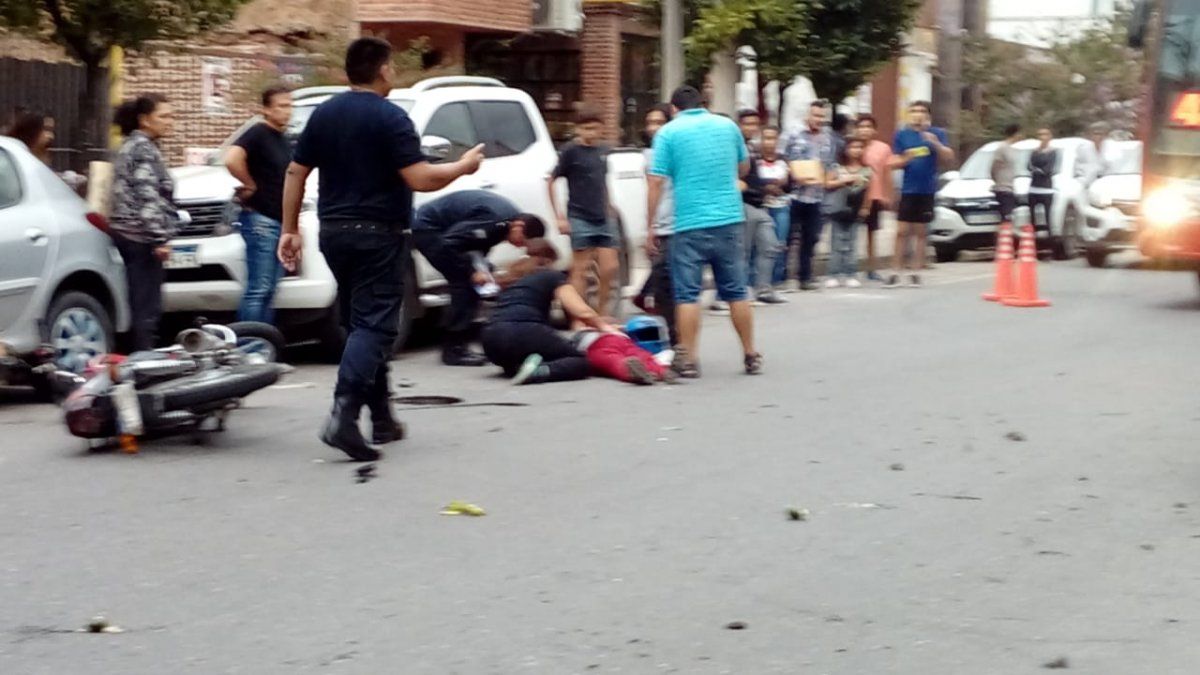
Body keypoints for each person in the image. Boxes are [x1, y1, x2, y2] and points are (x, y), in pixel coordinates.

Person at [279, 37, 485, 462]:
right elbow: (421, 178)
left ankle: (383, 418)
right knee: (375, 326)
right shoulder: (391, 117)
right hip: (378, 234)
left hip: (333, 233)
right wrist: (463, 167)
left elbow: (295, 172)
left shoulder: (324, 113)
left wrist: (289, 229)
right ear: (385, 69)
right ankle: (343, 415)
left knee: (362, 323)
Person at [648, 85, 762, 378]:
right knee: (736, 291)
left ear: (674, 109)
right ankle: (750, 353)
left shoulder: (668, 133)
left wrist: (651, 225)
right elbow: (744, 167)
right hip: (729, 219)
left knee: (687, 295)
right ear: (702, 103)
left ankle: (689, 359)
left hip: (689, 224)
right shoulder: (728, 126)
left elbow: (656, 182)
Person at [412, 190, 546, 366]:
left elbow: (476, 246)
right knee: (462, 284)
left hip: (445, 233)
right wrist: (472, 271)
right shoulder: (496, 221)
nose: (519, 246)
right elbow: (451, 242)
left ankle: (462, 342)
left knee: (477, 283)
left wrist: (484, 270)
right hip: (430, 228)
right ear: (518, 226)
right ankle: (453, 350)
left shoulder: (505, 224)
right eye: (522, 241)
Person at [482, 239, 617, 385]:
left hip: (490, 341)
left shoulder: (513, 281)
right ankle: (538, 372)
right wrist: (605, 328)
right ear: (548, 261)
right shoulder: (552, 276)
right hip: (523, 331)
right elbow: (580, 310)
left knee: (540, 351)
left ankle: (520, 368)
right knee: (579, 361)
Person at [110, 94, 177, 353]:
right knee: (146, 306)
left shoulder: (130, 146)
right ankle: (143, 358)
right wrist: (159, 238)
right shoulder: (143, 149)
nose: (169, 122)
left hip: (128, 234)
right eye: (164, 116)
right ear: (144, 120)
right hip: (140, 238)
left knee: (138, 301)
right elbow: (147, 195)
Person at [227, 86, 294, 325]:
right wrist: (248, 183)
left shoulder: (283, 139)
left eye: (290, 105)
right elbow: (232, 158)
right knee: (259, 288)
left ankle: (264, 341)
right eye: (281, 106)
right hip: (261, 220)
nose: (288, 111)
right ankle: (249, 341)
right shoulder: (257, 133)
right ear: (266, 109)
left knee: (270, 290)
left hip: (279, 221)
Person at [548, 104, 619, 315]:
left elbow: (601, 181)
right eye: (586, 128)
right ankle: (579, 316)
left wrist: (609, 204)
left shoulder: (603, 151)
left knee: (610, 267)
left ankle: (603, 313)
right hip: (579, 216)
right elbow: (550, 181)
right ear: (577, 129)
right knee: (580, 268)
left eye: (595, 128)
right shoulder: (570, 151)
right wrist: (559, 217)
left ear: (602, 128)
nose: (591, 133)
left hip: (603, 216)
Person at [888, 100, 954, 288]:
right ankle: (895, 271)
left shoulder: (936, 133)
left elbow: (948, 157)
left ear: (927, 115)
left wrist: (935, 143)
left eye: (922, 111)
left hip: (927, 189)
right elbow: (892, 163)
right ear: (909, 114)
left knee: (920, 232)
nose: (917, 114)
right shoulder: (902, 134)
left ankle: (915, 272)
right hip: (907, 189)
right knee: (901, 231)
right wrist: (905, 159)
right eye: (914, 111)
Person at [784, 100, 837, 290]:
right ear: (807, 115)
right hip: (794, 195)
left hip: (816, 196)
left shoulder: (828, 139)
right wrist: (793, 173)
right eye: (815, 115)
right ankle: (782, 276)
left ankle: (805, 277)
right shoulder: (793, 134)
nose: (818, 119)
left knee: (811, 238)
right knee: (789, 237)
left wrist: (829, 178)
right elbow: (782, 158)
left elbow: (830, 165)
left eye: (822, 116)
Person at [637, 104, 679, 345]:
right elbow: (651, 188)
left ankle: (676, 338)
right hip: (661, 221)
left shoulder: (676, 151)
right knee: (664, 281)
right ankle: (671, 337)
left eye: (659, 122)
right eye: (650, 123)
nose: (653, 128)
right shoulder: (648, 155)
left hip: (678, 221)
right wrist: (650, 225)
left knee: (670, 281)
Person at [737, 109, 785, 304]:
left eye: (754, 124)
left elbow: (753, 177)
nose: (751, 128)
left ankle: (763, 288)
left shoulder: (752, 147)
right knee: (744, 251)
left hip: (758, 204)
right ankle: (741, 291)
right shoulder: (734, 145)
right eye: (747, 124)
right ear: (739, 125)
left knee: (770, 245)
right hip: (742, 204)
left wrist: (766, 187)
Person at [824, 138, 872, 288]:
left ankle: (851, 273)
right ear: (845, 150)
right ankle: (833, 274)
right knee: (836, 243)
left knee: (852, 243)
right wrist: (845, 180)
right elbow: (827, 183)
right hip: (838, 208)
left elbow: (869, 191)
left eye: (859, 147)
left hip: (855, 210)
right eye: (853, 147)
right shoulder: (837, 168)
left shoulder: (867, 170)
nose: (856, 150)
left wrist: (866, 207)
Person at [857, 115, 894, 282]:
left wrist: (887, 194)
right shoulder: (852, 146)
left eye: (868, 127)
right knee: (849, 232)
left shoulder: (883, 148)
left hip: (874, 195)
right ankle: (847, 267)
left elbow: (887, 172)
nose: (865, 130)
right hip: (854, 194)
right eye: (861, 127)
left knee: (871, 233)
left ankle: (871, 268)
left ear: (874, 130)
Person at [573, 328, 674, 386]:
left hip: (593, 346)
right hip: (621, 338)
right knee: (642, 355)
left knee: (614, 362)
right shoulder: (607, 326)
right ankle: (662, 371)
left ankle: (632, 371)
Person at [758, 125, 792, 289]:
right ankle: (760, 279)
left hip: (781, 205)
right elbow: (755, 180)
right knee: (762, 243)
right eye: (766, 138)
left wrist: (781, 184)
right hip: (762, 206)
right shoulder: (755, 160)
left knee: (780, 242)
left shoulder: (783, 161)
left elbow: (789, 183)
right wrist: (768, 186)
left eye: (773, 138)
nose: (769, 142)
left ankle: (777, 279)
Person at [991, 123, 1022, 228]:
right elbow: (995, 166)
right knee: (1006, 216)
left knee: (1010, 216)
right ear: (1015, 134)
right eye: (1019, 133)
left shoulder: (1011, 149)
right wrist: (997, 180)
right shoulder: (1002, 148)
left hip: (1010, 186)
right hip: (1003, 187)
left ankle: (1007, 233)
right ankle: (1005, 234)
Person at [1028, 127, 1058, 234]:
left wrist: (1037, 170)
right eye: (1040, 135)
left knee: (1048, 214)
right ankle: (1032, 234)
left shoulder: (1052, 152)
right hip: (1034, 187)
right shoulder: (1034, 151)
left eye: (1045, 134)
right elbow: (1029, 166)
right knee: (1031, 214)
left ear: (1050, 137)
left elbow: (1048, 170)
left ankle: (1050, 234)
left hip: (1046, 188)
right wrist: (1037, 170)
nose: (1042, 137)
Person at [1076, 121, 1111, 188]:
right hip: (1088, 182)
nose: (1098, 136)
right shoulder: (1083, 149)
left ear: (1105, 135)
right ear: (1091, 135)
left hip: (1107, 181)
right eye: (1096, 134)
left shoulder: (1111, 148)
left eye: (1101, 134)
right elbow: (1078, 167)